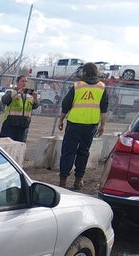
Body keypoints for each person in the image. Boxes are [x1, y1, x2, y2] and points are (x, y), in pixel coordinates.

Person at [57, 62, 109, 190]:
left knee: (68, 152)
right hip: (90, 126)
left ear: (84, 72)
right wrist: (102, 126)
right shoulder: (101, 87)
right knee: (83, 153)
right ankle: (78, 180)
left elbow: (66, 104)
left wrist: (61, 120)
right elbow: (104, 109)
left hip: (74, 124)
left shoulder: (77, 86)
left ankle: (63, 181)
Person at [0, 75, 39, 142]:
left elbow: (34, 106)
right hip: (10, 124)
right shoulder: (11, 92)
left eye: (26, 81)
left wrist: (35, 98)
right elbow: (5, 100)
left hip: (22, 124)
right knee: (7, 144)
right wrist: (17, 92)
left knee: (19, 145)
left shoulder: (29, 95)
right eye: (22, 81)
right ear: (17, 82)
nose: (24, 83)